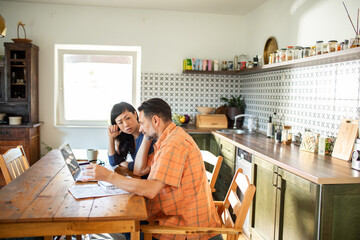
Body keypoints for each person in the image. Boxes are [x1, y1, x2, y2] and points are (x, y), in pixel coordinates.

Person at [84, 98, 221, 240]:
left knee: (113, 226)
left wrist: (108, 176)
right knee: (114, 225)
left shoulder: (173, 144)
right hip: (172, 218)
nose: (141, 128)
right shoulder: (168, 139)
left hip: (181, 229)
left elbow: (150, 190)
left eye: (142, 123)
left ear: (155, 120)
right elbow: (139, 170)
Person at [108, 102, 154, 179]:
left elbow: (144, 166)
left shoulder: (147, 134)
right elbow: (114, 162)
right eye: (120, 122)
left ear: (135, 114)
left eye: (128, 118)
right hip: (139, 179)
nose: (126, 124)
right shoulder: (128, 137)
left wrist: (126, 164)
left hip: (149, 181)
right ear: (117, 126)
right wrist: (111, 138)